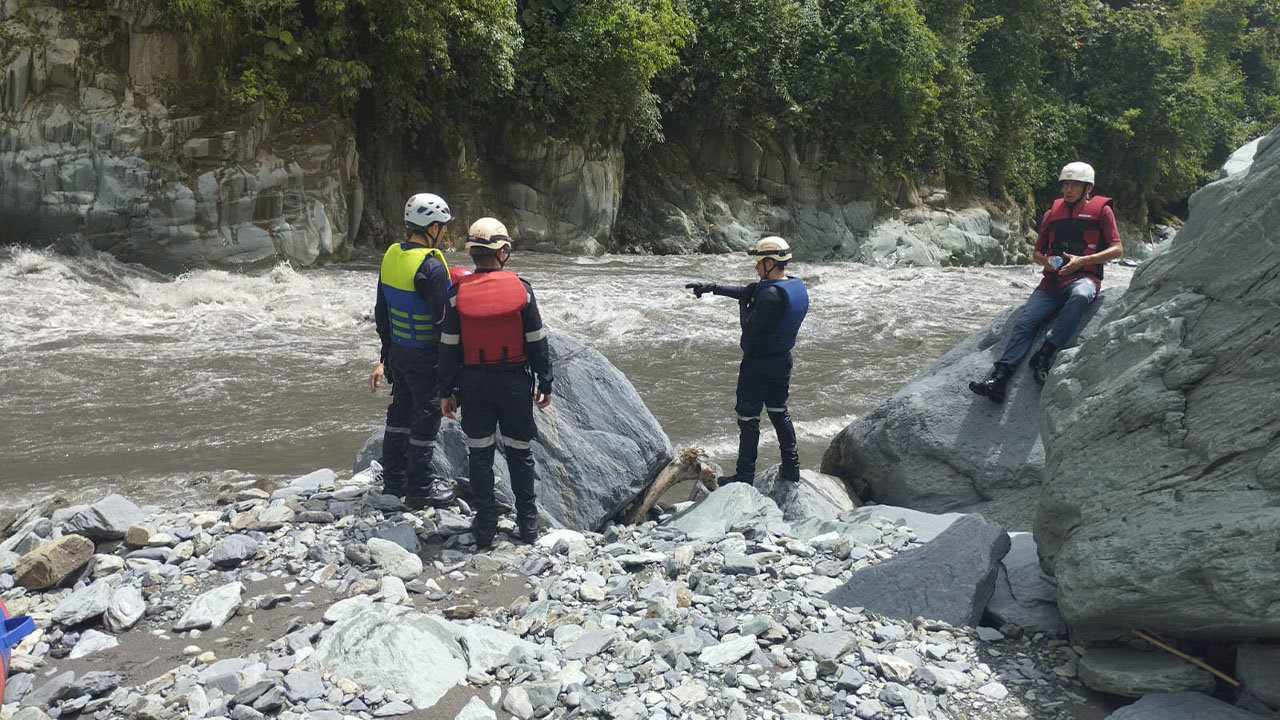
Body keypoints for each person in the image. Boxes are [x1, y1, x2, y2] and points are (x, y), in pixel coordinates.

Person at [438, 217, 553, 549]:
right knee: (520, 453)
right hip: (515, 382)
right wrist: (545, 381)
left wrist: (446, 390)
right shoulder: (523, 289)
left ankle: (485, 525)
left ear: (473, 253)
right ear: (503, 251)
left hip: (473, 384)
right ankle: (528, 524)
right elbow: (537, 341)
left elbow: (449, 347)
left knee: (480, 455)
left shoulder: (457, 294)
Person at [970, 161, 1124, 403]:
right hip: (1051, 283)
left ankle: (1045, 353)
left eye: (1074, 185)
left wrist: (1084, 261)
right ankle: (999, 378)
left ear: (1087, 188)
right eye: (1065, 184)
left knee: (1081, 296)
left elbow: (1117, 249)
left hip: (1084, 276)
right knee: (1026, 322)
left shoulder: (1103, 211)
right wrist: (1048, 262)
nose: (1067, 190)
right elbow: (1037, 254)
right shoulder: (1051, 214)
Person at [686, 236, 810, 485]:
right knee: (779, 413)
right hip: (782, 361)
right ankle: (792, 468)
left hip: (758, 366)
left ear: (770, 263)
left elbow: (749, 325)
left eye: (759, 262)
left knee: (749, 420)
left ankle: (744, 477)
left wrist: (743, 306)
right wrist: (711, 287)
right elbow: (749, 291)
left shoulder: (770, 296)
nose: (755, 267)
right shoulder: (792, 286)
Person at [369, 192, 455, 509]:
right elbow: (444, 323)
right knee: (426, 418)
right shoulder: (431, 267)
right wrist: (452, 372)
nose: (444, 232)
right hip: (425, 357)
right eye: (443, 226)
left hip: (399, 353)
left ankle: (394, 481)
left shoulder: (391, 255)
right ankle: (420, 489)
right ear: (432, 227)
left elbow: (382, 312)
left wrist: (386, 357)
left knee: (400, 414)